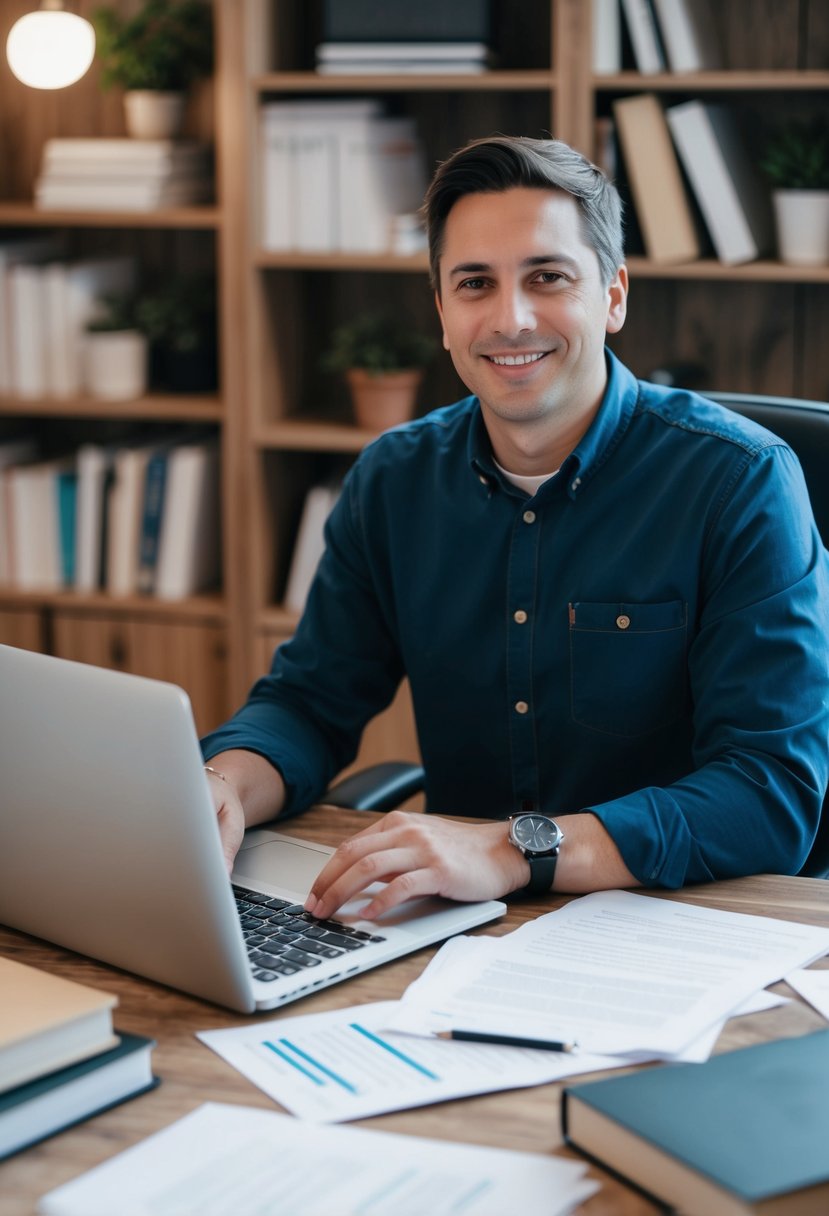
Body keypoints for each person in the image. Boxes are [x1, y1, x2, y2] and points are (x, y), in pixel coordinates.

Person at [202, 134, 829, 922]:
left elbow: (768, 794)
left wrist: (512, 849)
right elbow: (309, 703)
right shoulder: (393, 480)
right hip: (456, 924)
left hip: (681, 921)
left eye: (547, 276)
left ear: (613, 295)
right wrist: (220, 784)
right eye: (474, 284)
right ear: (441, 312)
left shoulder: (740, 482)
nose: (511, 318)